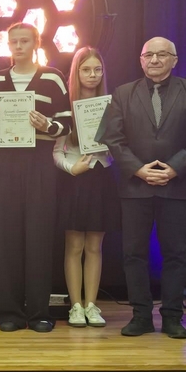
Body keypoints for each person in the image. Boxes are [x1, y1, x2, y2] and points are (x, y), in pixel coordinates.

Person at [98, 37, 186, 339]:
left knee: (176, 255)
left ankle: (172, 317)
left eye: (162, 54)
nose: (155, 60)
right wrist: (138, 169)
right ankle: (141, 316)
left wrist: (174, 168)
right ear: (141, 60)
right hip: (136, 186)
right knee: (133, 254)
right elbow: (113, 138)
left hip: (177, 186)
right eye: (149, 55)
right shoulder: (123, 93)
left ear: (175, 60)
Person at [0, 23, 71, 333]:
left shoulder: (52, 77)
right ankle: (8, 312)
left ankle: (40, 312)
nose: (18, 46)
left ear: (36, 43)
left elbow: (67, 124)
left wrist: (48, 126)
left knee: (39, 236)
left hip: (40, 163)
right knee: (6, 236)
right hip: (6, 163)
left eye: (24, 41)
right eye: (13, 41)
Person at [54, 47, 120, 328]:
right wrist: (72, 168)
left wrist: (112, 151)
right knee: (74, 245)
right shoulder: (66, 107)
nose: (92, 75)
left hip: (102, 177)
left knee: (94, 245)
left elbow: (121, 145)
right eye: (86, 70)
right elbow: (55, 151)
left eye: (97, 69)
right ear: (76, 73)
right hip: (73, 180)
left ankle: (92, 305)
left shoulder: (112, 106)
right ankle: (75, 306)